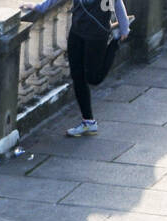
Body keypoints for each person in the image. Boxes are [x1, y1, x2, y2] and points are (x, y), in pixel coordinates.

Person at [21, 0, 131, 137]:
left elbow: (117, 4)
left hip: (96, 35)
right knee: (77, 77)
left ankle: (114, 43)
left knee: (94, 78)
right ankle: (89, 122)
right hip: (77, 32)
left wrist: (124, 28)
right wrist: (39, 7)